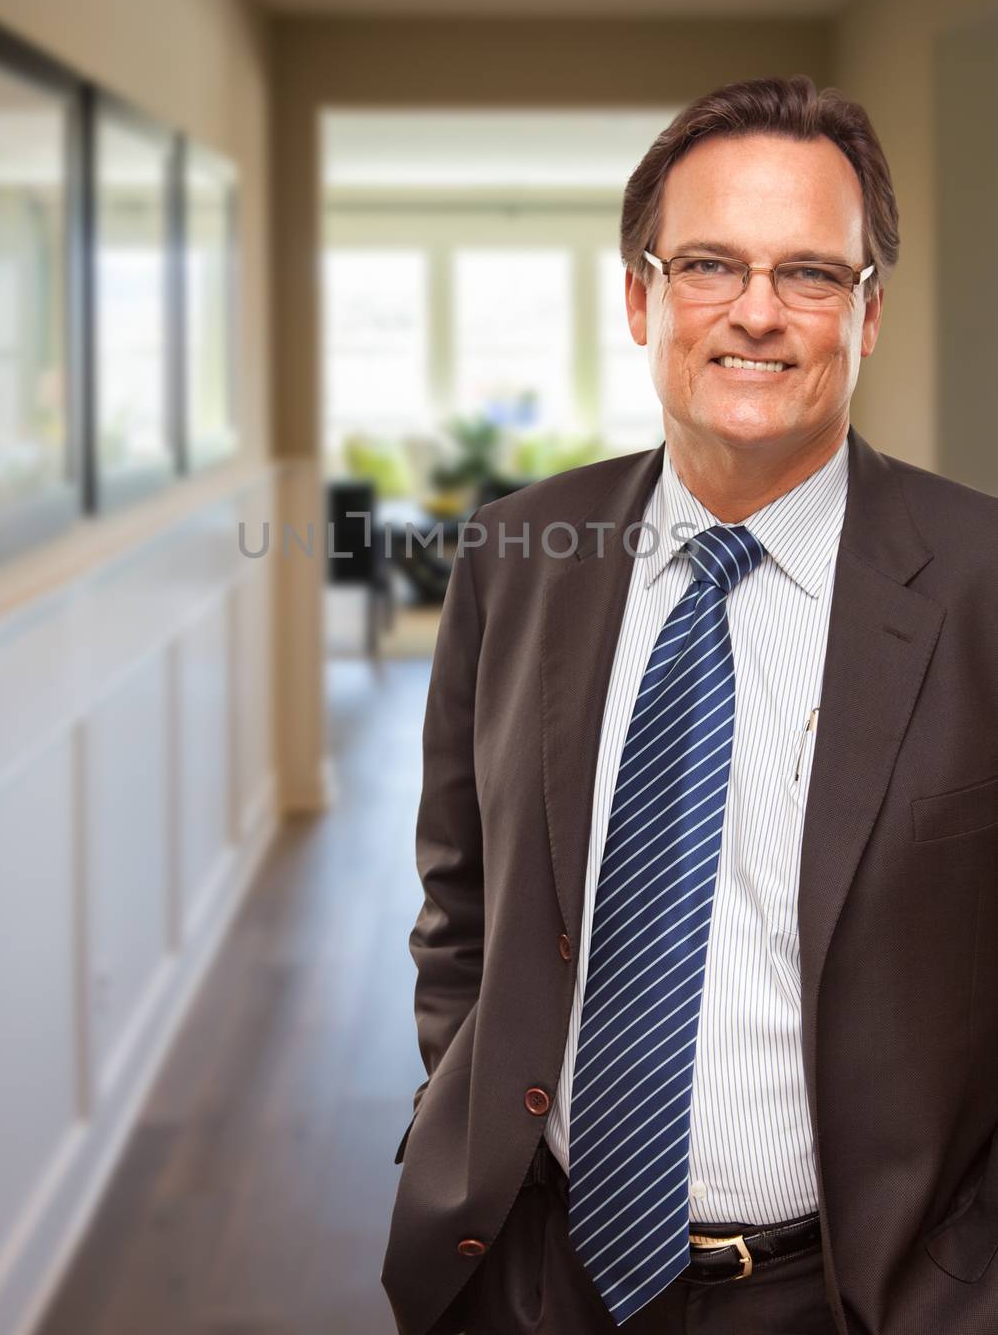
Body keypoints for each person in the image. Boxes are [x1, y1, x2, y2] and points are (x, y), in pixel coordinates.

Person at [381, 76, 998, 1335]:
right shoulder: (515, 553)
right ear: (637, 296)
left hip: (853, 1295)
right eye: (709, 263)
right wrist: (458, 1106)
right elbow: (461, 899)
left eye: (811, 275)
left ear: (866, 313)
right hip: (528, 1272)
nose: (756, 314)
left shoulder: (982, 584)